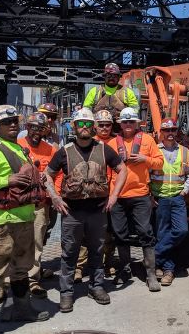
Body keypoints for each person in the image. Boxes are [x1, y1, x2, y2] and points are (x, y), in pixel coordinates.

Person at [44, 108, 128, 313]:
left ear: (93, 128)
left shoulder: (104, 149)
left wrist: (114, 195)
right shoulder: (64, 151)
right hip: (72, 212)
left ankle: (96, 286)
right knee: (69, 252)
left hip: (97, 211)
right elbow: (47, 174)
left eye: (88, 124)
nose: (84, 127)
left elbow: (122, 169)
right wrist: (54, 197)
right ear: (74, 126)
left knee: (97, 251)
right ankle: (67, 293)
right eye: (80, 124)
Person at [0, 105, 49, 322]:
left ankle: (22, 310)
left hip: (24, 218)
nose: (12, 124)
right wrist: (7, 180)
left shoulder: (21, 150)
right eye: (6, 122)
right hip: (0, 221)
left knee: (21, 268)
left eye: (15, 120)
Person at [110, 107, 164, 292]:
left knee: (145, 232)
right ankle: (124, 269)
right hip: (118, 197)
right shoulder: (111, 144)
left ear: (137, 123)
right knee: (120, 233)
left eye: (131, 122)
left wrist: (144, 159)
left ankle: (150, 273)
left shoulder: (147, 140)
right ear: (120, 124)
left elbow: (160, 162)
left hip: (140, 195)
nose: (127, 125)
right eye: (124, 122)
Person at [17, 112, 58, 299]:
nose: (36, 132)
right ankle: (15, 278)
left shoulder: (50, 150)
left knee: (37, 241)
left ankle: (32, 280)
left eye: (40, 129)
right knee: (17, 242)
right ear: (27, 127)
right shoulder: (17, 147)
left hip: (40, 203)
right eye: (33, 127)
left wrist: (54, 196)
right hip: (19, 203)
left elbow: (58, 175)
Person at [149, 118, 189, 286]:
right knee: (162, 233)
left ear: (177, 132)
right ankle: (168, 270)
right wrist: (149, 194)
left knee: (181, 230)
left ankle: (154, 257)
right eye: (166, 130)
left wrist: (185, 190)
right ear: (162, 132)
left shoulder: (184, 151)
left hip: (177, 197)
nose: (170, 134)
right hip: (160, 198)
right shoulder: (154, 150)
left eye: (173, 130)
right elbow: (146, 173)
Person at [74, 109, 117, 280]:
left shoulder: (116, 143)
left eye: (108, 125)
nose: (104, 128)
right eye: (101, 125)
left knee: (108, 234)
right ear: (94, 126)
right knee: (84, 234)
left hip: (110, 196)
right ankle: (79, 266)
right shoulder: (87, 142)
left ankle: (108, 263)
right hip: (88, 195)